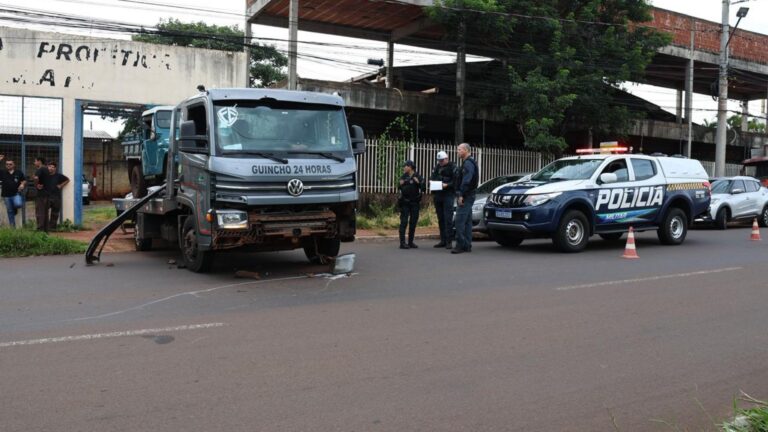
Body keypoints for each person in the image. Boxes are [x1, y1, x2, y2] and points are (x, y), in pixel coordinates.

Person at [452, 143, 478, 254]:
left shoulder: (468, 164)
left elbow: (467, 180)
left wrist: (461, 194)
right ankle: (467, 245)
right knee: (467, 222)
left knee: (459, 221)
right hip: (469, 195)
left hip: (466, 195)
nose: (457, 151)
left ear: (466, 150)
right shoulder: (469, 162)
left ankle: (460, 245)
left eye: (459, 149)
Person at [429, 151, 457, 249]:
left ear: (446, 158)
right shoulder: (437, 167)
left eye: (442, 160)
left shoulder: (453, 167)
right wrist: (432, 182)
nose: (440, 162)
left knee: (448, 218)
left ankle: (449, 241)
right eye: (439, 160)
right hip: (438, 194)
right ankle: (443, 240)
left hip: (448, 194)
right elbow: (432, 177)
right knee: (440, 219)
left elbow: (456, 181)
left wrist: (447, 185)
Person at [398, 160, 425, 249]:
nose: (404, 168)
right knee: (404, 222)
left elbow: (424, 188)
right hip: (405, 202)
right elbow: (399, 187)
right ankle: (402, 243)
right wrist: (401, 184)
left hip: (415, 202)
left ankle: (410, 242)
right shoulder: (403, 176)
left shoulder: (418, 176)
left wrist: (418, 183)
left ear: (410, 167)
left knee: (413, 222)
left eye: (405, 166)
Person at [0, 155, 26, 228]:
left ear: (14, 165)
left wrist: (22, 184)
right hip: (6, 195)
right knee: (10, 211)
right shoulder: (3, 172)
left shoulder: (18, 172)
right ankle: (12, 226)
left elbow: (24, 180)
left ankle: (15, 208)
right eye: (7, 164)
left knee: (18, 204)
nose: (8, 165)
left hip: (16, 194)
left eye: (10, 164)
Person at [42, 161, 69, 232]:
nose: (51, 168)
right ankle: (45, 227)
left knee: (55, 213)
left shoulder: (58, 176)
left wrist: (60, 185)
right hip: (47, 196)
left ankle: (52, 228)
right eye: (49, 166)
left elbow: (67, 180)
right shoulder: (45, 176)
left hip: (56, 197)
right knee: (44, 212)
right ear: (47, 167)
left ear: (55, 168)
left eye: (52, 167)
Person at [33, 157, 49, 231]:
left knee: (40, 212)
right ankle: (45, 229)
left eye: (35, 161)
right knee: (45, 212)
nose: (34, 163)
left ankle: (40, 229)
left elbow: (36, 178)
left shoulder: (40, 169)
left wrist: (36, 185)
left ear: (39, 161)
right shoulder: (47, 169)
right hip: (47, 193)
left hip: (41, 194)